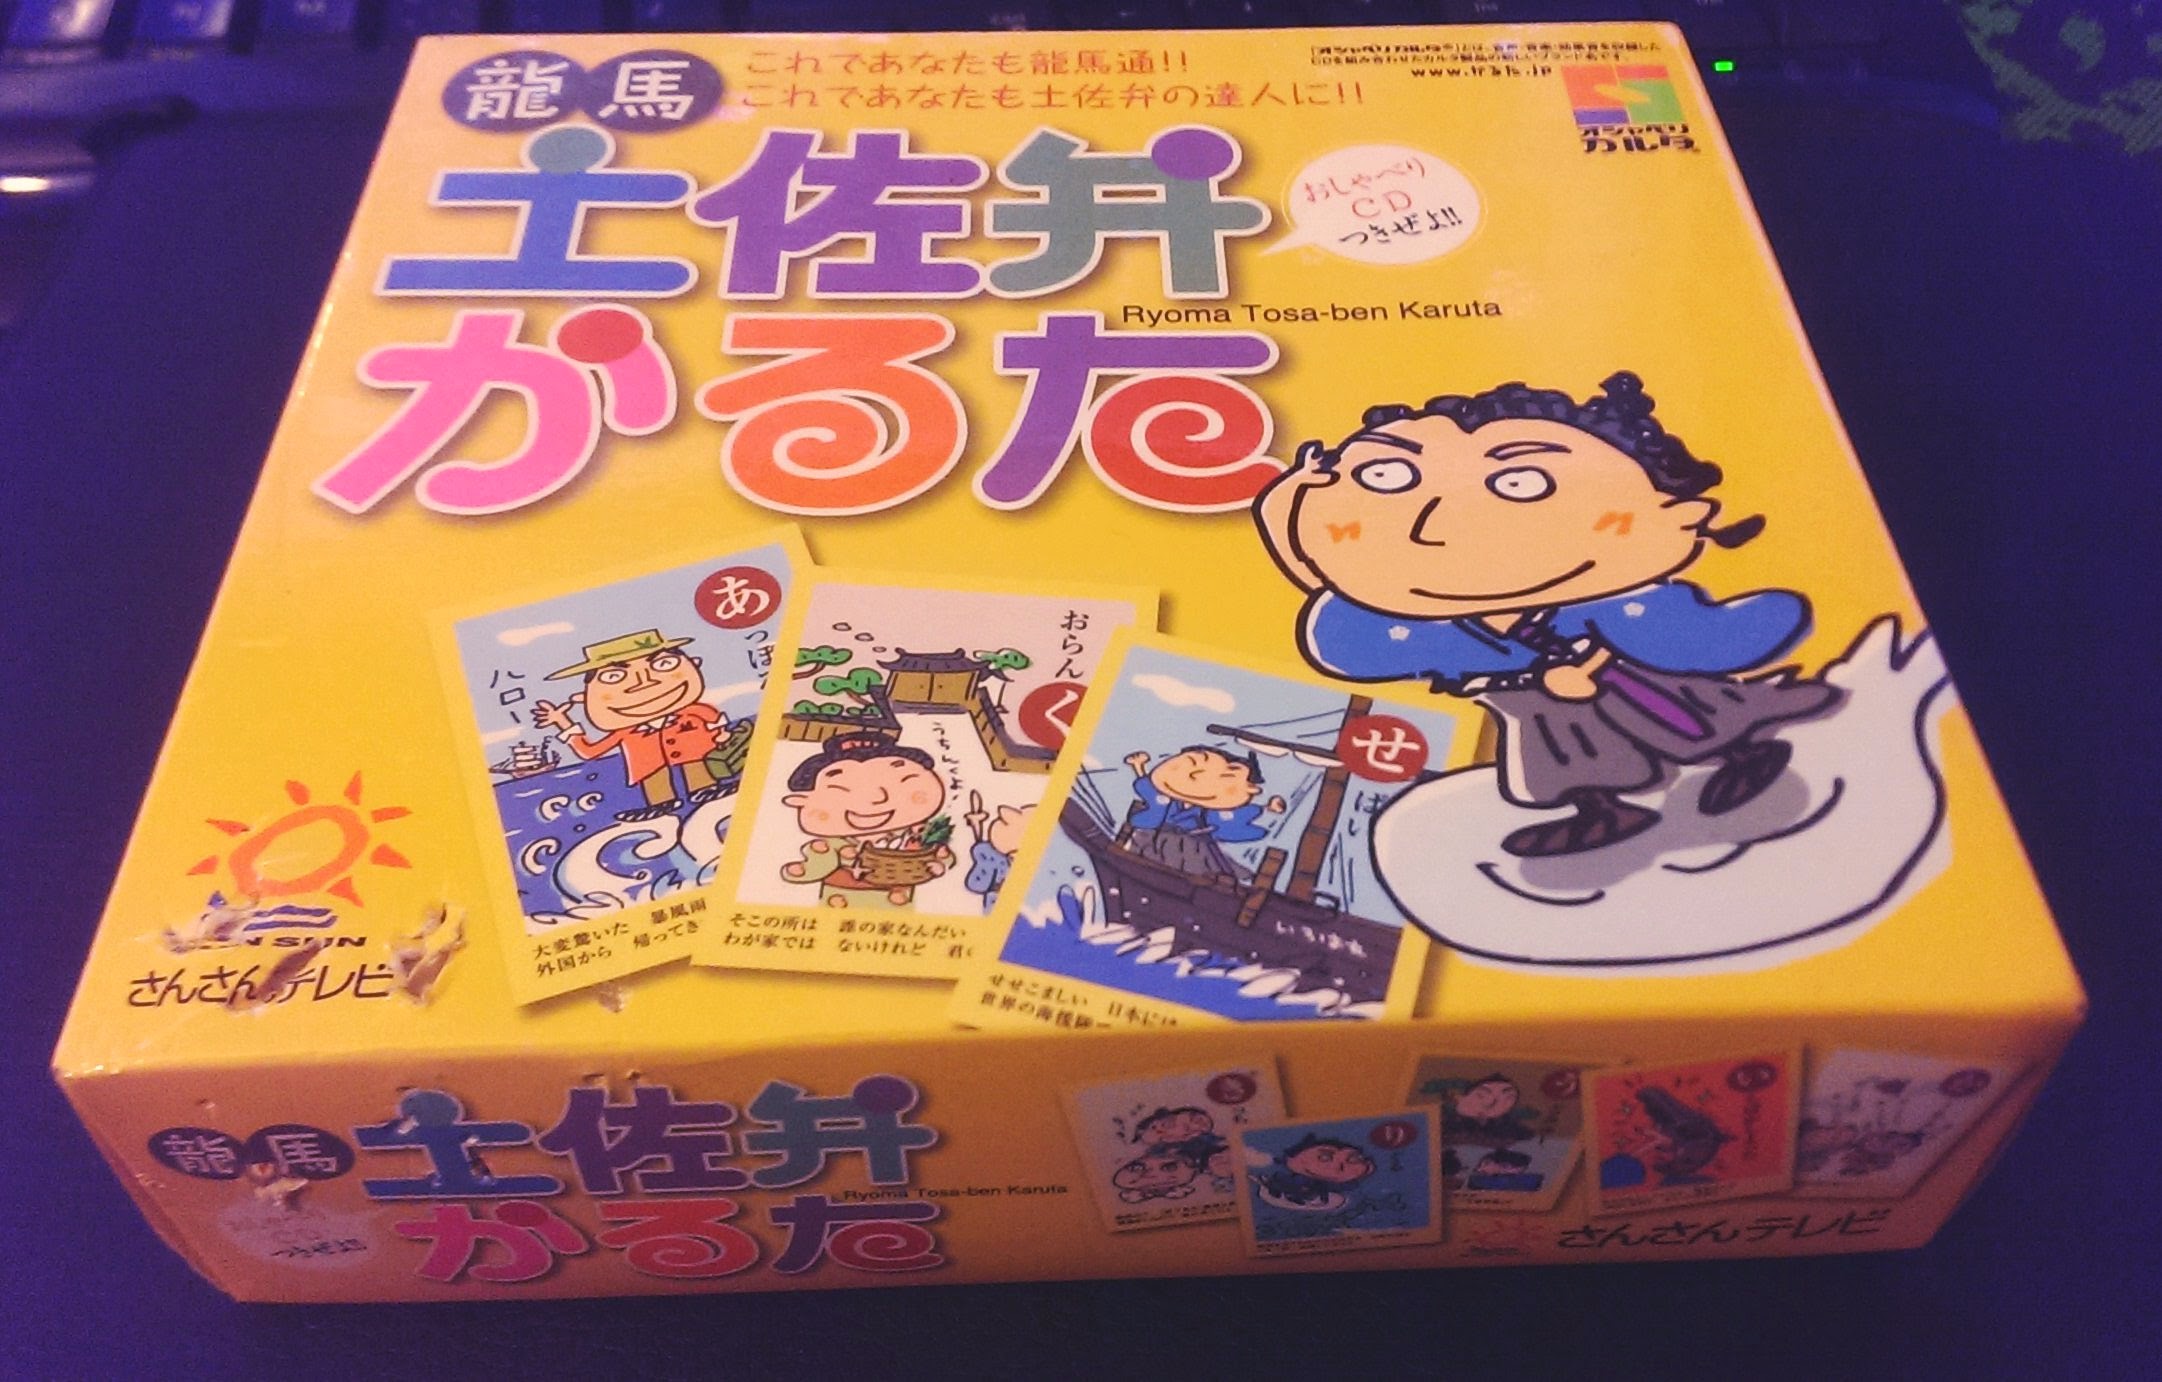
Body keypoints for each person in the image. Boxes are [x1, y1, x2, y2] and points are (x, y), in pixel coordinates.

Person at [1256, 372, 1838, 858]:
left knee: (1681, 716)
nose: (1432, 525)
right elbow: (1337, 608)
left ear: (1675, 512)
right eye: (1385, 476)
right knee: (1557, 756)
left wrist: (1591, 665)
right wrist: (1285, 506)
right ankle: (1600, 809)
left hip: (1616, 676)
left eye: (1521, 483)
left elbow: (1684, 634)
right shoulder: (1411, 623)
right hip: (1527, 697)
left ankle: (1745, 756)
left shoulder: (1614, 600)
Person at [534, 629, 729, 822]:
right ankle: (661, 805)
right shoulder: (625, 732)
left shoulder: (693, 711)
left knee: (697, 769)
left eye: (664, 664)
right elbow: (589, 751)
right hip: (648, 767)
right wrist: (562, 722)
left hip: (697, 756)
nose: (644, 683)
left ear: (694, 664)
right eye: (613, 676)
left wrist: (721, 735)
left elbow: (714, 720)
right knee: (654, 779)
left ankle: (705, 789)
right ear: (584, 698)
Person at [779, 732, 951, 908]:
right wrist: (805, 869)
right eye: (840, 789)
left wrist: (940, 861)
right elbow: (818, 865)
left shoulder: (916, 835)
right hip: (841, 902)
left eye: (904, 780)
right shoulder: (834, 844)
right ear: (801, 800)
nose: (877, 798)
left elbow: (934, 856)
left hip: (899, 909)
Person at [1121, 746, 1286, 880]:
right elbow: (1148, 790)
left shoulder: (1210, 813)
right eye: (1191, 766)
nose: (1195, 776)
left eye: (1224, 777)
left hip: (1193, 848)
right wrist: (1138, 767)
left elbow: (1233, 819)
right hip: (1155, 839)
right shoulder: (1166, 799)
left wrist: (1265, 808)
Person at [1257, 1134, 1374, 1208]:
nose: (1332, 1166)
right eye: (1325, 1157)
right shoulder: (1286, 1163)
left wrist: (1323, 1201)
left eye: (1340, 1169)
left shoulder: (1318, 1184)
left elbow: (1323, 1191)